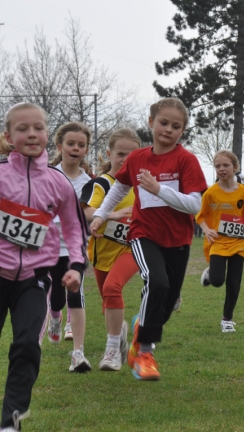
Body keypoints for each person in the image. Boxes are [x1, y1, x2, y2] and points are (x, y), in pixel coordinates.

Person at [90, 97, 208, 381]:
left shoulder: (186, 160)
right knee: (157, 281)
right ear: (151, 123)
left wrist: (158, 189)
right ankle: (143, 351)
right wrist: (101, 215)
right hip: (144, 235)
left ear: (182, 131)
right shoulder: (137, 158)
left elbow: (194, 206)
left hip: (178, 240)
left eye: (176, 126)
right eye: (163, 123)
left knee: (165, 305)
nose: (168, 129)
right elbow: (119, 190)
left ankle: (143, 324)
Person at [0, 103, 87, 430]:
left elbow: (76, 228)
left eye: (38, 127)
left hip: (35, 280)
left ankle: (10, 421)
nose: (31, 133)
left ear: (47, 134)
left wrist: (77, 267)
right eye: (22, 129)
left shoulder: (58, 182)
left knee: (26, 345)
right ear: (9, 136)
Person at [80, 128, 141, 371]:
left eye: (131, 155)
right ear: (109, 153)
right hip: (101, 251)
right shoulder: (102, 184)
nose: (125, 159)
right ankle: (121, 331)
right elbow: (85, 212)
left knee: (112, 287)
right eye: (120, 153)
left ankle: (112, 351)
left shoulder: (142, 186)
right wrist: (109, 214)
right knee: (108, 300)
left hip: (132, 248)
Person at [197, 150, 244, 333]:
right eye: (218, 166)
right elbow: (200, 216)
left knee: (234, 283)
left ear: (235, 167)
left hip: (239, 243)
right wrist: (206, 229)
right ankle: (211, 273)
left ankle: (227, 319)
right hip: (217, 242)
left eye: (226, 165)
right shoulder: (210, 193)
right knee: (218, 280)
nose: (222, 169)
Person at [46, 122, 92, 373]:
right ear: (59, 145)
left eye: (81, 145)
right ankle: (55, 318)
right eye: (71, 143)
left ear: (86, 149)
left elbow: (91, 212)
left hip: (75, 248)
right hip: (48, 246)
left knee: (75, 295)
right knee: (55, 295)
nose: (75, 148)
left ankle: (78, 354)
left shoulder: (89, 183)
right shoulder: (46, 174)